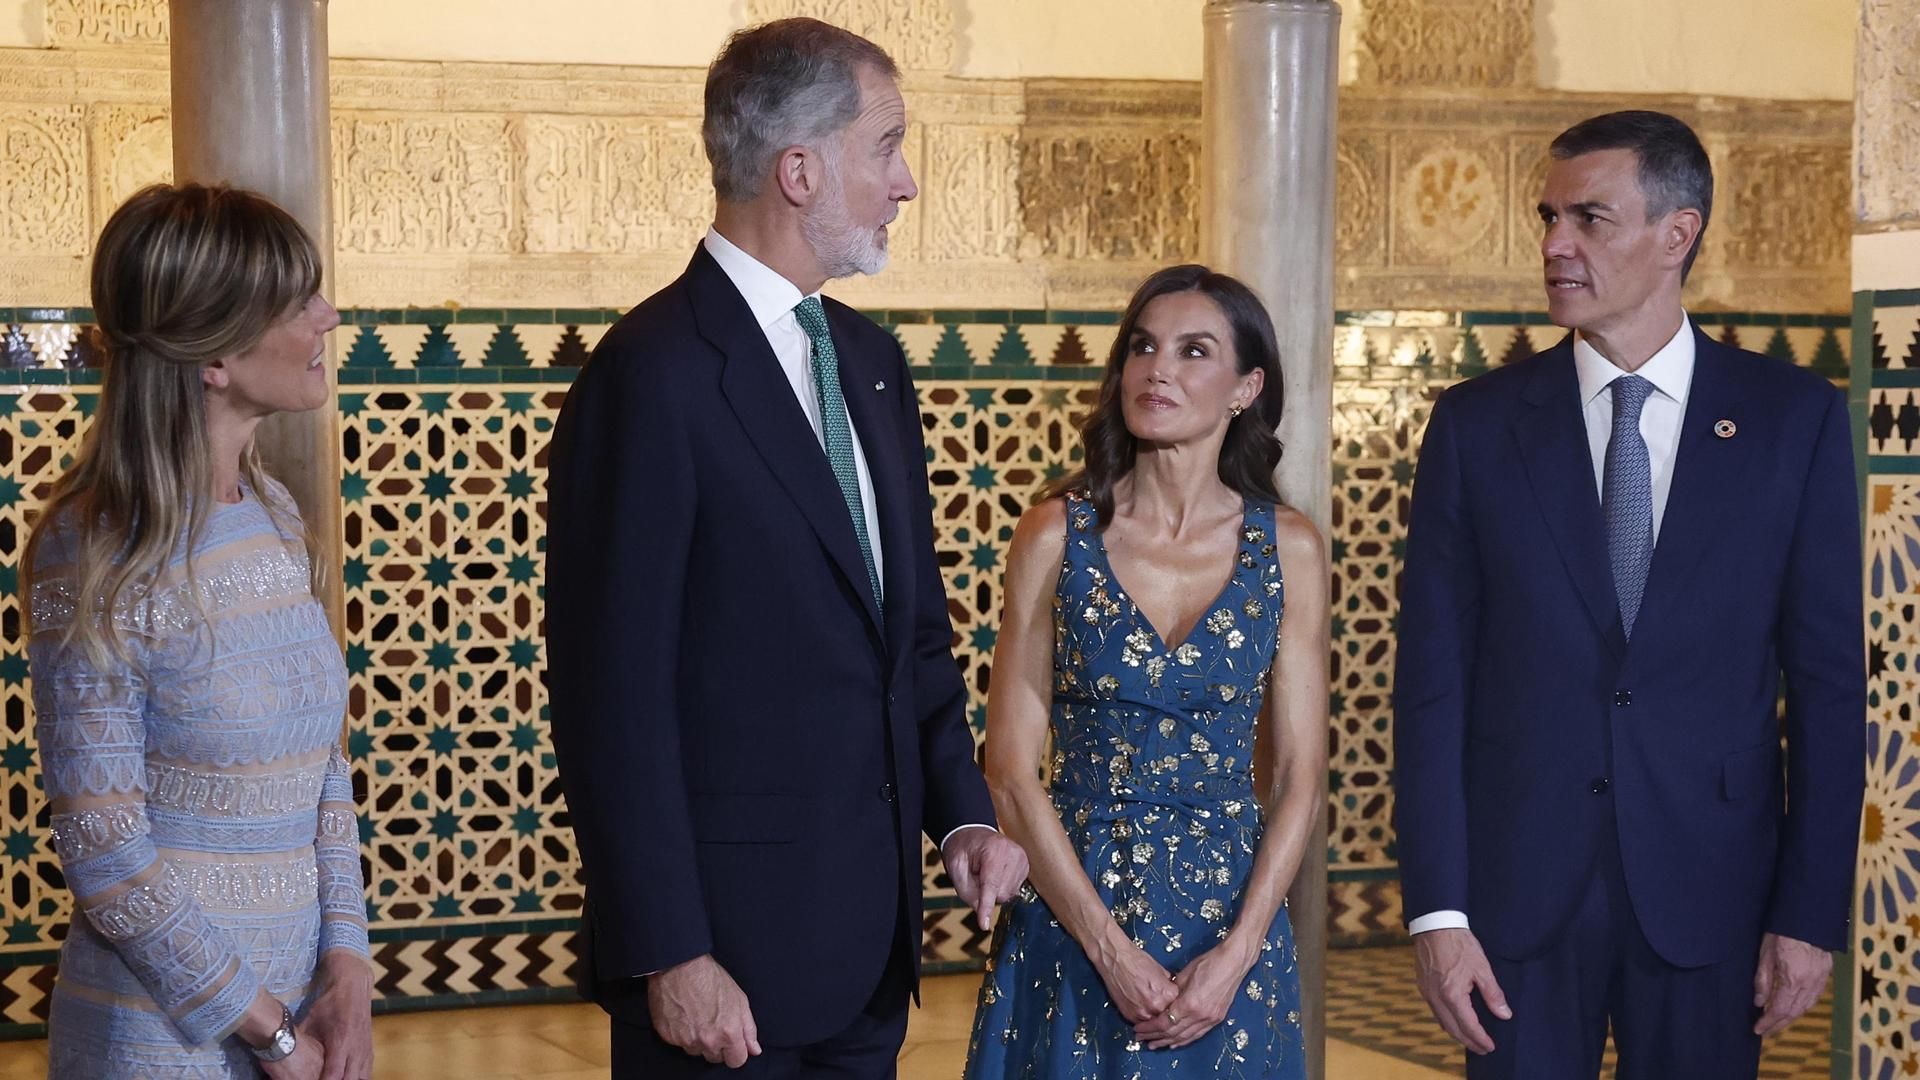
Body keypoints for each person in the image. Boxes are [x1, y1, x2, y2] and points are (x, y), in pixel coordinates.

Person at [544, 17, 1028, 1078]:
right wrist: (671, 950)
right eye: (887, 146)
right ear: (799, 171)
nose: (905, 184)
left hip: (870, 960)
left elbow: (911, 637)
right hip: (725, 968)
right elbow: (611, 699)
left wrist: (963, 821)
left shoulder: (871, 361)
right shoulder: (651, 373)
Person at [1394, 109, 1865, 1078]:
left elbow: (1829, 686)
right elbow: (1432, 689)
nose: (1554, 244)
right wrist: (1437, 911)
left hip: (1714, 889)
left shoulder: (1795, 421)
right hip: (1517, 897)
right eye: (1548, 217)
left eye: (1589, 218)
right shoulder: (1476, 426)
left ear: (1676, 233)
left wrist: (1811, 913)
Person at [24, 183, 373, 1080]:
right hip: (159, 1040)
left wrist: (347, 967)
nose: (328, 317)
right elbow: (106, 852)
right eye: (297, 302)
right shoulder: (93, 548)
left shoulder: (273, 510)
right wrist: (268, 1031)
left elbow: (322, 767)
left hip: (299, 1014)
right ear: (214, 355)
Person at [964, 265, 1325, 1078]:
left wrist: (1239, 951)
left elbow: (1299, 776)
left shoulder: (1290, 549)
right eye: (1142, 347)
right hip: (1073, 912)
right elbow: (1010, 772)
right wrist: (1107, 948)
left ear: (1247, 389)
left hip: (1228, 927)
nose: (1158, 369)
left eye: (1194, 351)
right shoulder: (1055, 535)